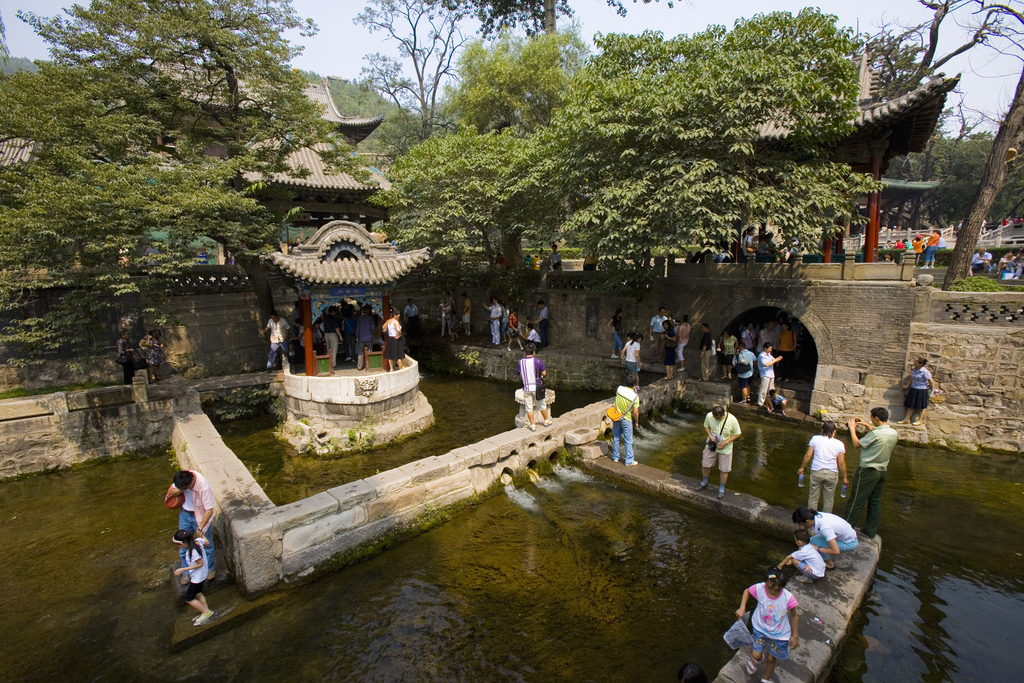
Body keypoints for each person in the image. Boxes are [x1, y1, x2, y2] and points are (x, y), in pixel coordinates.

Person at [736, 567, 799, 683]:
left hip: (779, 634)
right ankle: (758, 659)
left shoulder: (788, 598)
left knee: (771, 657)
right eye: (770, 590)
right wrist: (742, 607)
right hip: (760, 627)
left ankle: (766, 679)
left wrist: (795, 636)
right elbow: (747, 591)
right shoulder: (760, 588)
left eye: (776, 591)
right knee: (756, 654)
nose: (773, 593)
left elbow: (794, 615)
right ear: (765, 583)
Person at [844, 408, 898, 539]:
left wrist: (852, 429)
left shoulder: (875, 434)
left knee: (856, 500)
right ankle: (870, 530)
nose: (871, 419)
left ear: (877, 418)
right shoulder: (893, 433)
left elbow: (857, 444)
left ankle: (845, 530)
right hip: (882, 471)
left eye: (872, 417)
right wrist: (868, 425)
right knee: (874, 501)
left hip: (867, 471)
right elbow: (880, 435)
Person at [167, 469, 216, 584]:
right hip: (185, 514)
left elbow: (209, 510)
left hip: (200, 516)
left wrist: (200, 528)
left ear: (193, 480)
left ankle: (210, 568)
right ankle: (186, 572)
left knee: (207, 544)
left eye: (188, 486)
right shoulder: (182, 477)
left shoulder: (203, 486)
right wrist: (181, 489)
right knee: (182, 543)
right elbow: (172, 491)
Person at [797, 421, 848, 514]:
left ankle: (811, 518)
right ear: (834, 431)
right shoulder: (840, 444)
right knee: (829, 499)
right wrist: (845, 478)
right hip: (832, 473)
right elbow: (842, 462)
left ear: (822, 430)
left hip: (817, 471)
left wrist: (802, 467)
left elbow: (808, 455)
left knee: (813, 497)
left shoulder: (815, 439)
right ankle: (826, 520)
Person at [793, 505, 858, 570]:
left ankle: (829, 564)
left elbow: (836, 551)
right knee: (814, 540)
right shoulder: (815, 515)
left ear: (807, 521)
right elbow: (805, 527)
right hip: (846, 534)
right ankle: (822, 556)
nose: (802, 526)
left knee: (814, 542)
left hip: (849, 543)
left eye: (802, 524)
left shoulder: (825, 528)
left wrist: (817, 548)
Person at [696, 405, 741, 499]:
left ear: (722, 415)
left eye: (717, 418)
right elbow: (706, 425)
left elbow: (737, 433)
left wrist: (726, 442)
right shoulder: (709, 416)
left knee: (724, 469)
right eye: (714, 417)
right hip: (711, 445)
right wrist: (709, 435)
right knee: (705, 464)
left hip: (725, 448)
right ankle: (704, 482)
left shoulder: (732, 420)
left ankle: (721, 489)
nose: (715, 419)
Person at [172, 529, 214, 626]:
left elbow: (200, 563)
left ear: (183, 543)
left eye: (178, 545)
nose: (179, 547)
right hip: (202, 575)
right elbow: (207, 542)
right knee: (198, 594)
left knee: (188, 598)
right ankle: (206, 611)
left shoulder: (193, 552)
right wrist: (202, 535)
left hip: (197, 578)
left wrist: (184, 569)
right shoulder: (197, 541)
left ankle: (206, 613)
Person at [516, 343, 550, 431]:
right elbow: (544, 373)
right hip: (537, 387)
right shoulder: (538, 361)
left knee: (529, 407)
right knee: (542, 405)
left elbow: (519, 374)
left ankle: (532, 425)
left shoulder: (521, 362)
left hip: (526, 388)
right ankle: (546, 421)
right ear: (534, 352)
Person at [609, 374, 640, 465]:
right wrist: (637, 422)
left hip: (617, 417)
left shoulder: (619, 389)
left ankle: (615, 457)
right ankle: (629, 461)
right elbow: (635, 412)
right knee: (628, 440)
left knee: (616, 437)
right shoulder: (635, 397)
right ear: (634, 385)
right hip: (626, 419)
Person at [898, 357, 936, 426]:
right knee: (911, 404)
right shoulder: (914, 369)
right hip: (913, 388)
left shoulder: (925, 371)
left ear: (920, 364)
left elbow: (931, 381)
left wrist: (932, 390)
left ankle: (920, 420)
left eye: (916, 361)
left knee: (922, 406)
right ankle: (906, 419)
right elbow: (912, 378)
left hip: (922, 390)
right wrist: (907, 385)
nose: (914, 362)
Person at [756, 343, 782, 409]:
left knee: (771, 389)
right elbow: (766, 364)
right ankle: (760, 402)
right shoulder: (762, 355)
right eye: (769, 348)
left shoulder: (769, 355)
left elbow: (773, 360)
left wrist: (777, 359)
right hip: (765, 374)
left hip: (771, 374)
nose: (771, 349)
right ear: (765, 348)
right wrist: (776, 360)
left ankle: (771, 402)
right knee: (763, 389)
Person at [354, 305, 375, 370]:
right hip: (369, 337)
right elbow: (373, 327)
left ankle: (360, 366)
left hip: (361, 337)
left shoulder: (359, 318)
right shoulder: (370, 318)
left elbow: (357, 328)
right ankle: (369, 365)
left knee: (360, 352)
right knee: (370, 351)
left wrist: (357, 336)